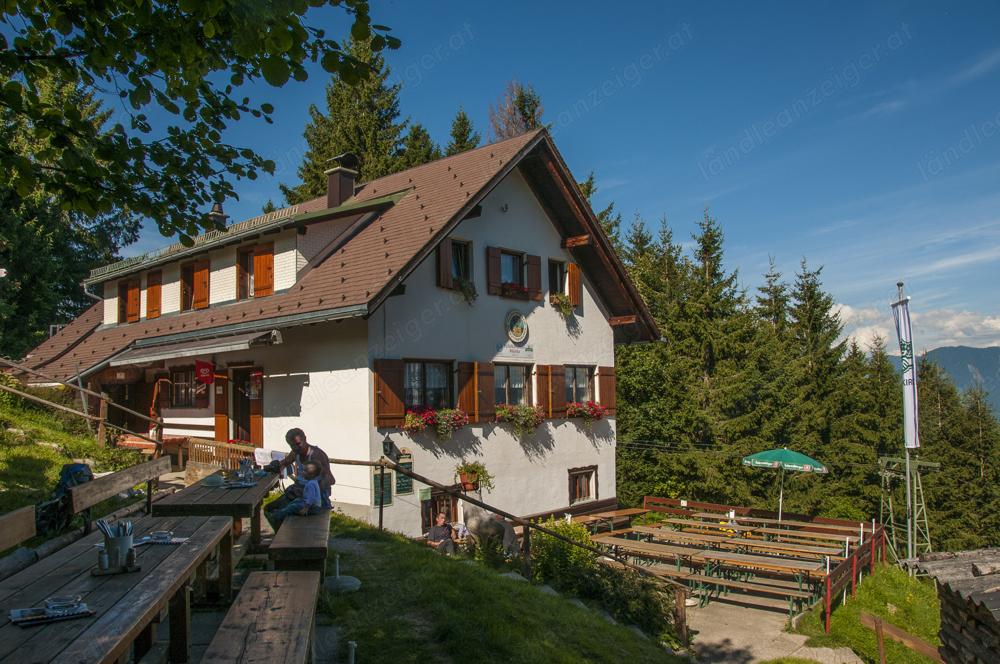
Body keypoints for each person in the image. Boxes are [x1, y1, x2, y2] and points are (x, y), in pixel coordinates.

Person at [263, 428, 336, 529]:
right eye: (292, 445)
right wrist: (274, 467)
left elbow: (331, 479)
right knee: (270, 508)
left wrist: (322, 484)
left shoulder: (316, 455)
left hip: (314, 493)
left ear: (305, 439)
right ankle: (281, 537)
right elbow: (283, 463)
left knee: (287, 510)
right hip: (300, 489)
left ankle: (285, 538)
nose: (296, 448)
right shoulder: (295, 453)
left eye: (298, 444)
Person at [268, 461, 324, 528]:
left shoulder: (311, 484)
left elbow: (311, 497)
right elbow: (308, 494)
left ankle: (276, 517)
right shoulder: (313, 482)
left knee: (293, 507)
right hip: (313, 506)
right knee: (295, 501)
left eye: (305, 471)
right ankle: (281, 512)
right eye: (303, 470)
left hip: (312, 508)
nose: (303, 472)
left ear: (312, 474)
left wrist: (306, 508)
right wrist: (301, 492)